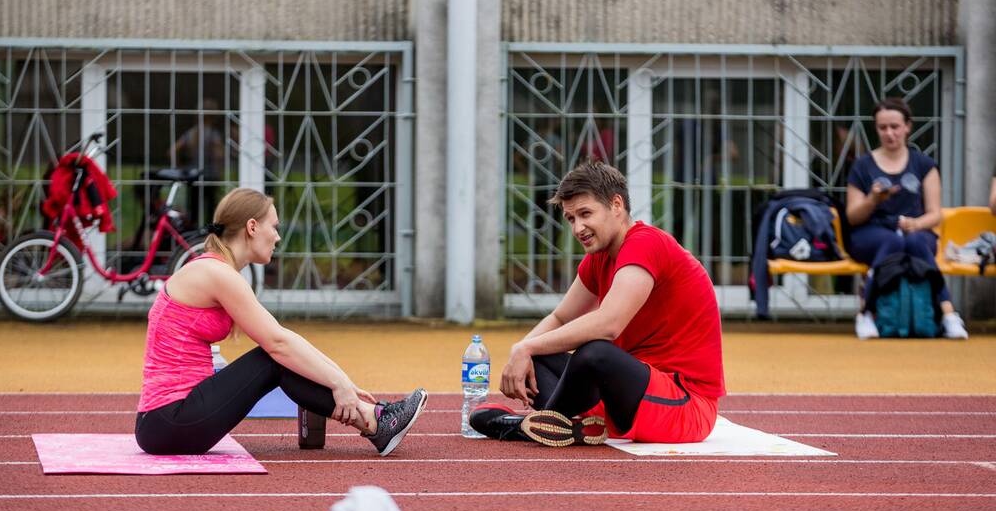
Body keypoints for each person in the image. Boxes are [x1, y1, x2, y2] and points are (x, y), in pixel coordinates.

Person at [135, 187, 427, 456]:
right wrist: (338, 383)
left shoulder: (213, 269)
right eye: (273, 227)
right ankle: (376, 422)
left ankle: (376, 418)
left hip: (166, 421)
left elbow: (282, 339)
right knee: (275, 358)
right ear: (252, 227)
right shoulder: (216, 273)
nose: (277, 237)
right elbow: (277, 343)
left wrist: (343, 381)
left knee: (281, 355)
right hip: (169, 421)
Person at [469, 161, 725, 447]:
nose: (578, 228)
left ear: (616, 205)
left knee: (595, 352)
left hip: (683, 408)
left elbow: (609, 325)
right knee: (542, 351)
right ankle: (567, 426)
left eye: (585, 214)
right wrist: (521, 353)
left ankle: (534, 424)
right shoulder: (600, 257)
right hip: (626, 395)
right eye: (570, 219)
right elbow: (561, 318)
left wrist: (525, 347)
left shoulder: (646, 243)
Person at [845, 98, 968, 340]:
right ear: (876, 129)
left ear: (907, 126)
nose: (889, 134)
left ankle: (948, 315)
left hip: (916, 230)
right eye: (882, 128)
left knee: (914, 243)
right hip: (870, 232)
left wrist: (915, 224)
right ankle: (866, 313)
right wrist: (873, 200)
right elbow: (852, 217)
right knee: (892, 243)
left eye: (895, 126)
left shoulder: (924, 165)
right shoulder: (862, 166)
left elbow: (935, 214)